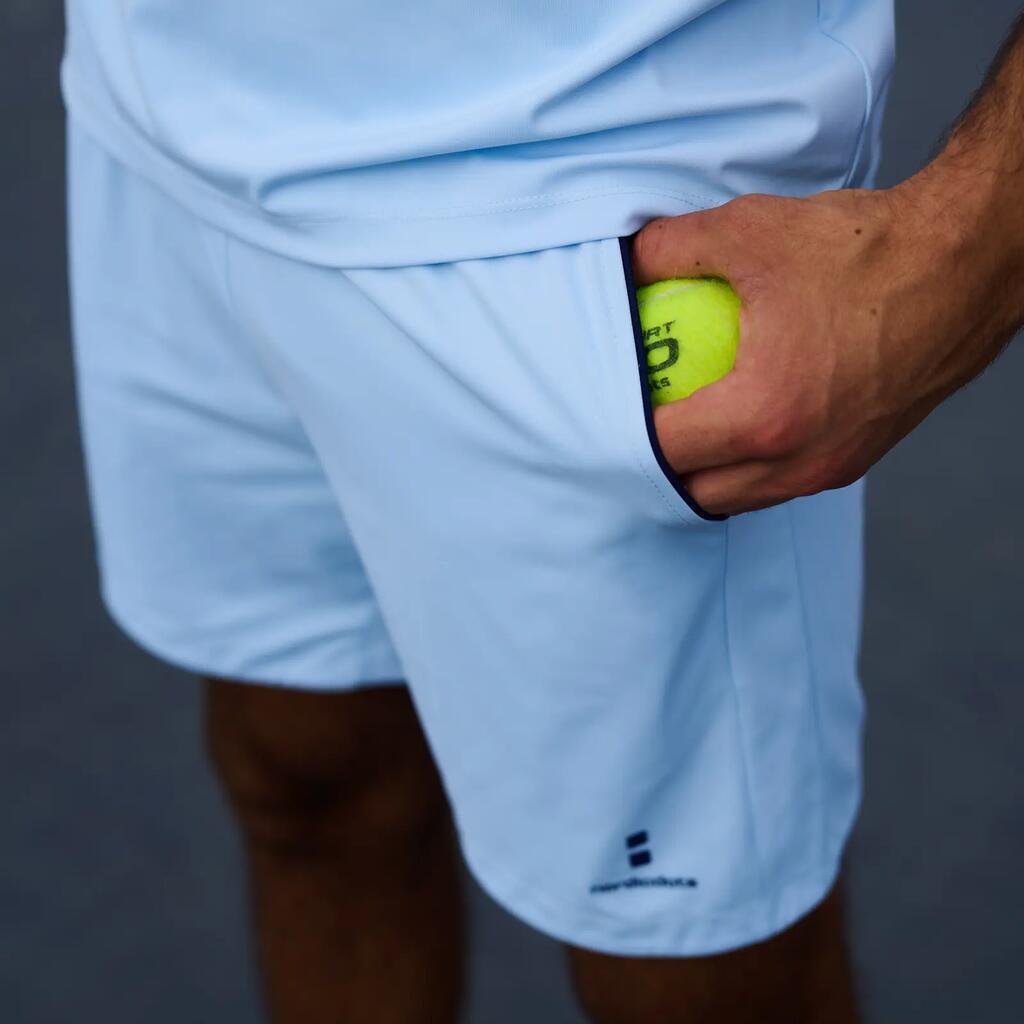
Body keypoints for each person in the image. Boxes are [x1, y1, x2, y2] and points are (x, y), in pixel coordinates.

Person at [60, 1, 1022, 1021]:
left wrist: (964, 249)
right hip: (157, 125)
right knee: (306, 777)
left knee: (691, 964)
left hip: (589, 195)